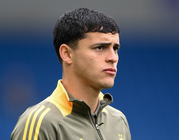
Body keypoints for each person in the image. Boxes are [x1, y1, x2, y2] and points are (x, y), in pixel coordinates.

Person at [11, 8, 131, 140]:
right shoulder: (40, 122)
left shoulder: (118, 121)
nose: (113, 57)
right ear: (67, 54)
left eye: (115, 48)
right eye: (100, 48)